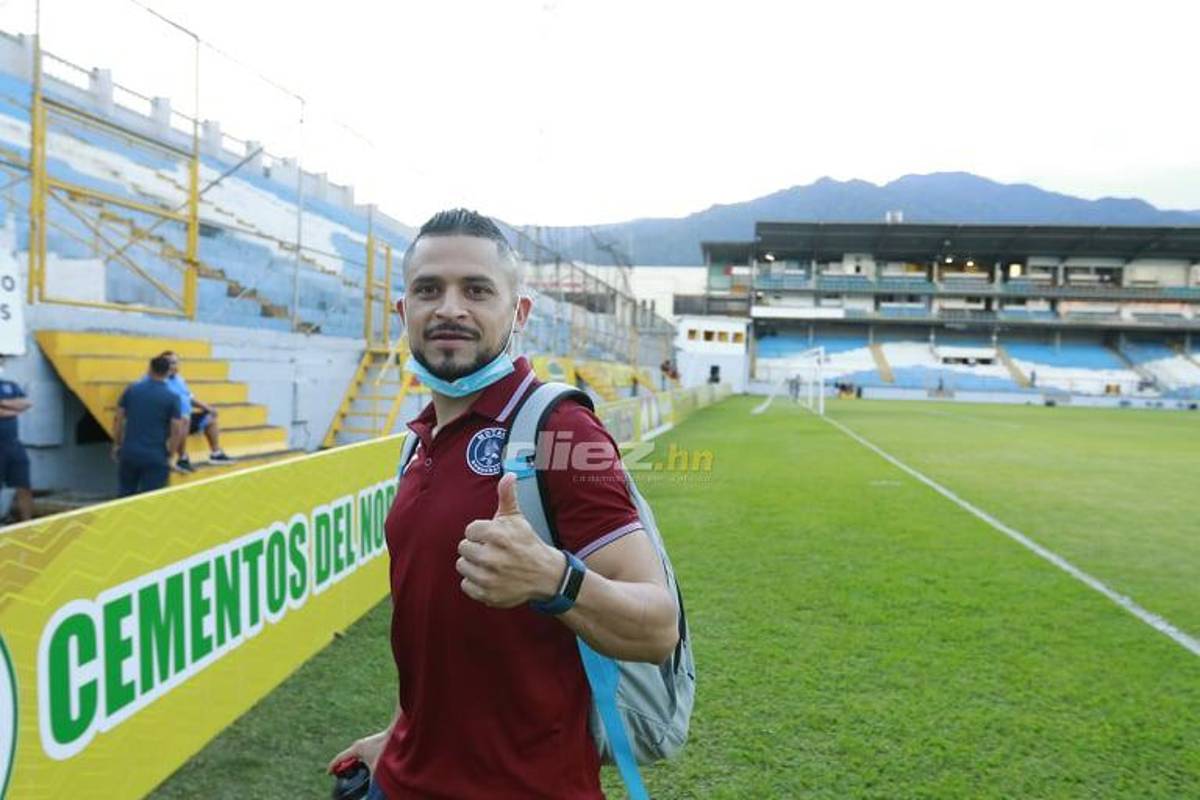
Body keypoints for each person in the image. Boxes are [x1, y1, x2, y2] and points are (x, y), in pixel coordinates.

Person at [328, 209, 679, 799]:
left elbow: (656, 627)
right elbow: (434, 629)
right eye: (428, 290)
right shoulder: (416, 442)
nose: (449, 308)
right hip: (403, 779)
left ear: (518, 313)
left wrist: (554, 578)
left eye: (477, 290)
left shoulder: (561, 431)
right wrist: (399, 732)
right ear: (403, 312)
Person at [112, 355, 185, 496]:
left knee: (124, 497)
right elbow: (177, 430)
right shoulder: (172, 397)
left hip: (129, 452)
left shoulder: (131, 390)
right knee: (152, 501)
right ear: (168, 372)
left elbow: (118, 420)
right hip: (155, 455)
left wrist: (116, 444)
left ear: (149, 369)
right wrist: (171, 455)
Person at [160, 350, 232, 472]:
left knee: (210, 416)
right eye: (170, 363)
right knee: (183, 419)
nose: (173, 366)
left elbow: (190, 399)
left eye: (175, 363)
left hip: (184, 418)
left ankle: (216, 454)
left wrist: (208, 408)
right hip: (169, 422)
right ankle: (182, 458)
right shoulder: (159, 381)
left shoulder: (179, 380)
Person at [0, 366, 34, 522]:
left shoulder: (10, 384)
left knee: (24, 485)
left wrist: (3, 403)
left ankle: (28, 524)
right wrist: (14, 408)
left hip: (13, 445)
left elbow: (26, 403)